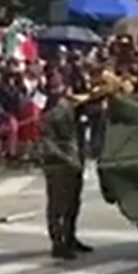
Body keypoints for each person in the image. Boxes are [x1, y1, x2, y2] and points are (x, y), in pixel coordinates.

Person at [37, 84, 82, 260]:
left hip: (74, 159)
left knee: (73, 202)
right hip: (56, 164)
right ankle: (58, 242)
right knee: (57, 205)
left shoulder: (67, 105)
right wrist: (66, 159)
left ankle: (70, 237)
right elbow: (47, 143)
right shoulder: (46, 112)